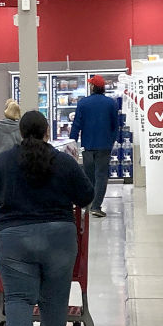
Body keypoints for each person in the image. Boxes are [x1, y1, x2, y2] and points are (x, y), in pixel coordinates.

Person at [0, 110, 94, 326]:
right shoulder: (65, 162)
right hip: (58, 237)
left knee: (18, 297)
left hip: (13, 238)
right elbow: (87, 195)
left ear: (20, 133)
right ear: (47, 132)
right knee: (54, 297)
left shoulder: (3, 161)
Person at [68, 74, 123, 218]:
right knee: (101, 176)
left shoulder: (83, 103)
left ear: (93, 87)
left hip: (87, 145)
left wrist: (71, 142)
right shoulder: (111, 103)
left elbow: (76, 125)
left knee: (88, 176)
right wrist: (111, 141)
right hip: (104, 146)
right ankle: (96, 206)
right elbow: (115, 126)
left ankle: (88, 203)